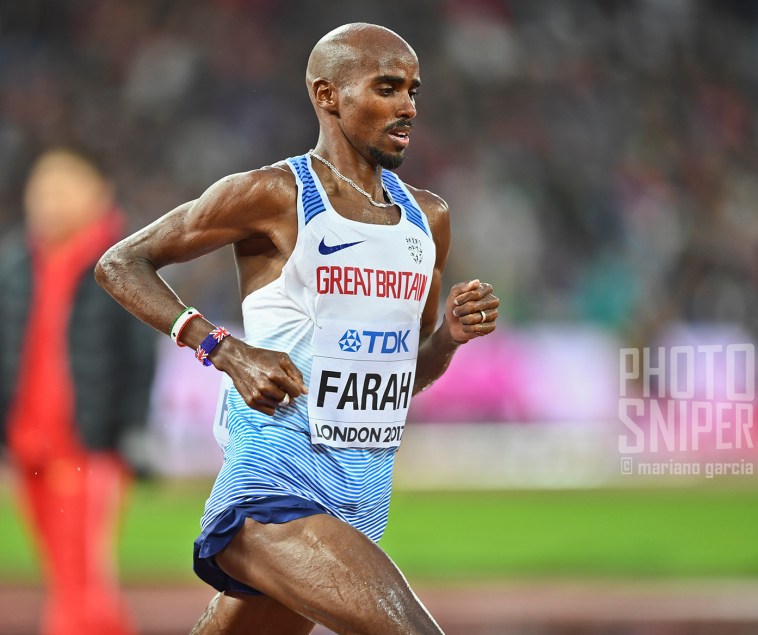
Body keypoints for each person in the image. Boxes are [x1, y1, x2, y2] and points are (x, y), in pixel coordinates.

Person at [95, 23, 499, 635]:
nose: (408, 107)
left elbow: (408, 373)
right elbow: (120, 263)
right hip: (272, 493)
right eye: (387, 88)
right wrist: (223, 349)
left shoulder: (428, 219)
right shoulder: (274, 194)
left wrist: (447, 336)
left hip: (359, 503)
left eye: (413, 90)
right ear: (327, 95)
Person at [0, 147, 156, 635]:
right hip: (27, 443)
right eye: (42, 187)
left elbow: (141, 356)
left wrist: (132, 430)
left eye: (65, 186)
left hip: (87, 443)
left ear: (99, 192)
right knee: (67, 574)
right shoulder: (16, 264)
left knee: (79, 574)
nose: (50, 199)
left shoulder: (123, 264)